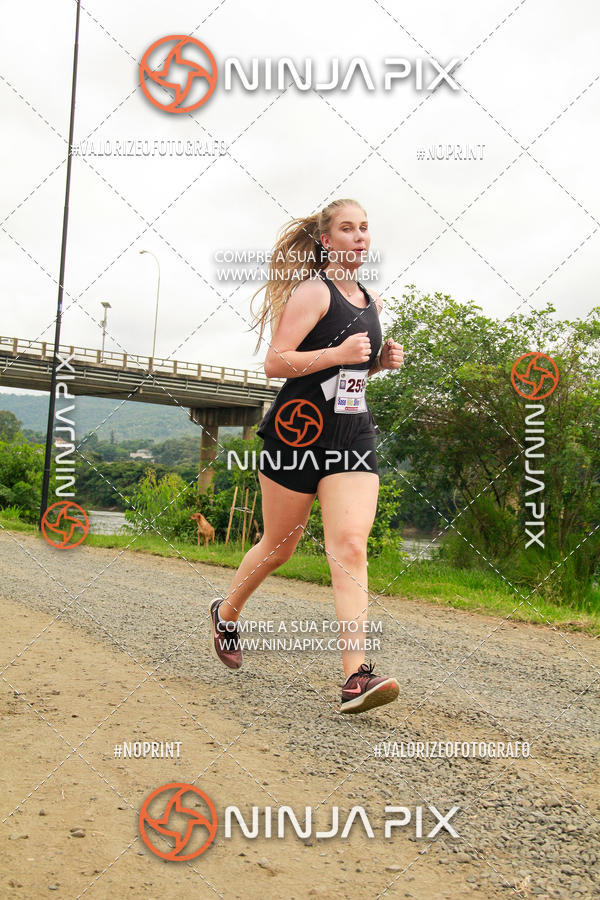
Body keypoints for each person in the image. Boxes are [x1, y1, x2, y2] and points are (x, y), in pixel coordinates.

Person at [209, 198, 405, 714]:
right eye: (347, 228)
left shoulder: (370, 300)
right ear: (326, 241)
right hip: (297, 436)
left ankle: (355, 677)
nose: (360, 236)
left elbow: (349, 379)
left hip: (352, 434)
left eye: (365, 227)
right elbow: (277, 362)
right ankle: (227, 613)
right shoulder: (312, 292)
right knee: (280, 547)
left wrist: (379, 364)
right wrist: (338, 354)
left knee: (349, 544)